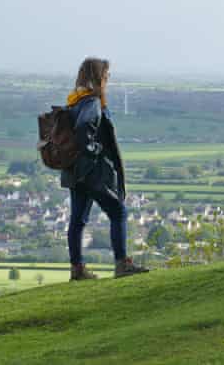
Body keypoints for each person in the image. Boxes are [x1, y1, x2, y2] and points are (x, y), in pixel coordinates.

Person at [61, 57, 149, 280]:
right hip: (92, 172)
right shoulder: (91, 102)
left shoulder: (74, 100)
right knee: (118, 211)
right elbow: (84, 130)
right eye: (106, 76)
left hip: (74, 171)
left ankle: (77, 269)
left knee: (78, 219)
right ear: (98, 78)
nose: (108, 80)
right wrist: (96, 149)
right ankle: (122, 264)